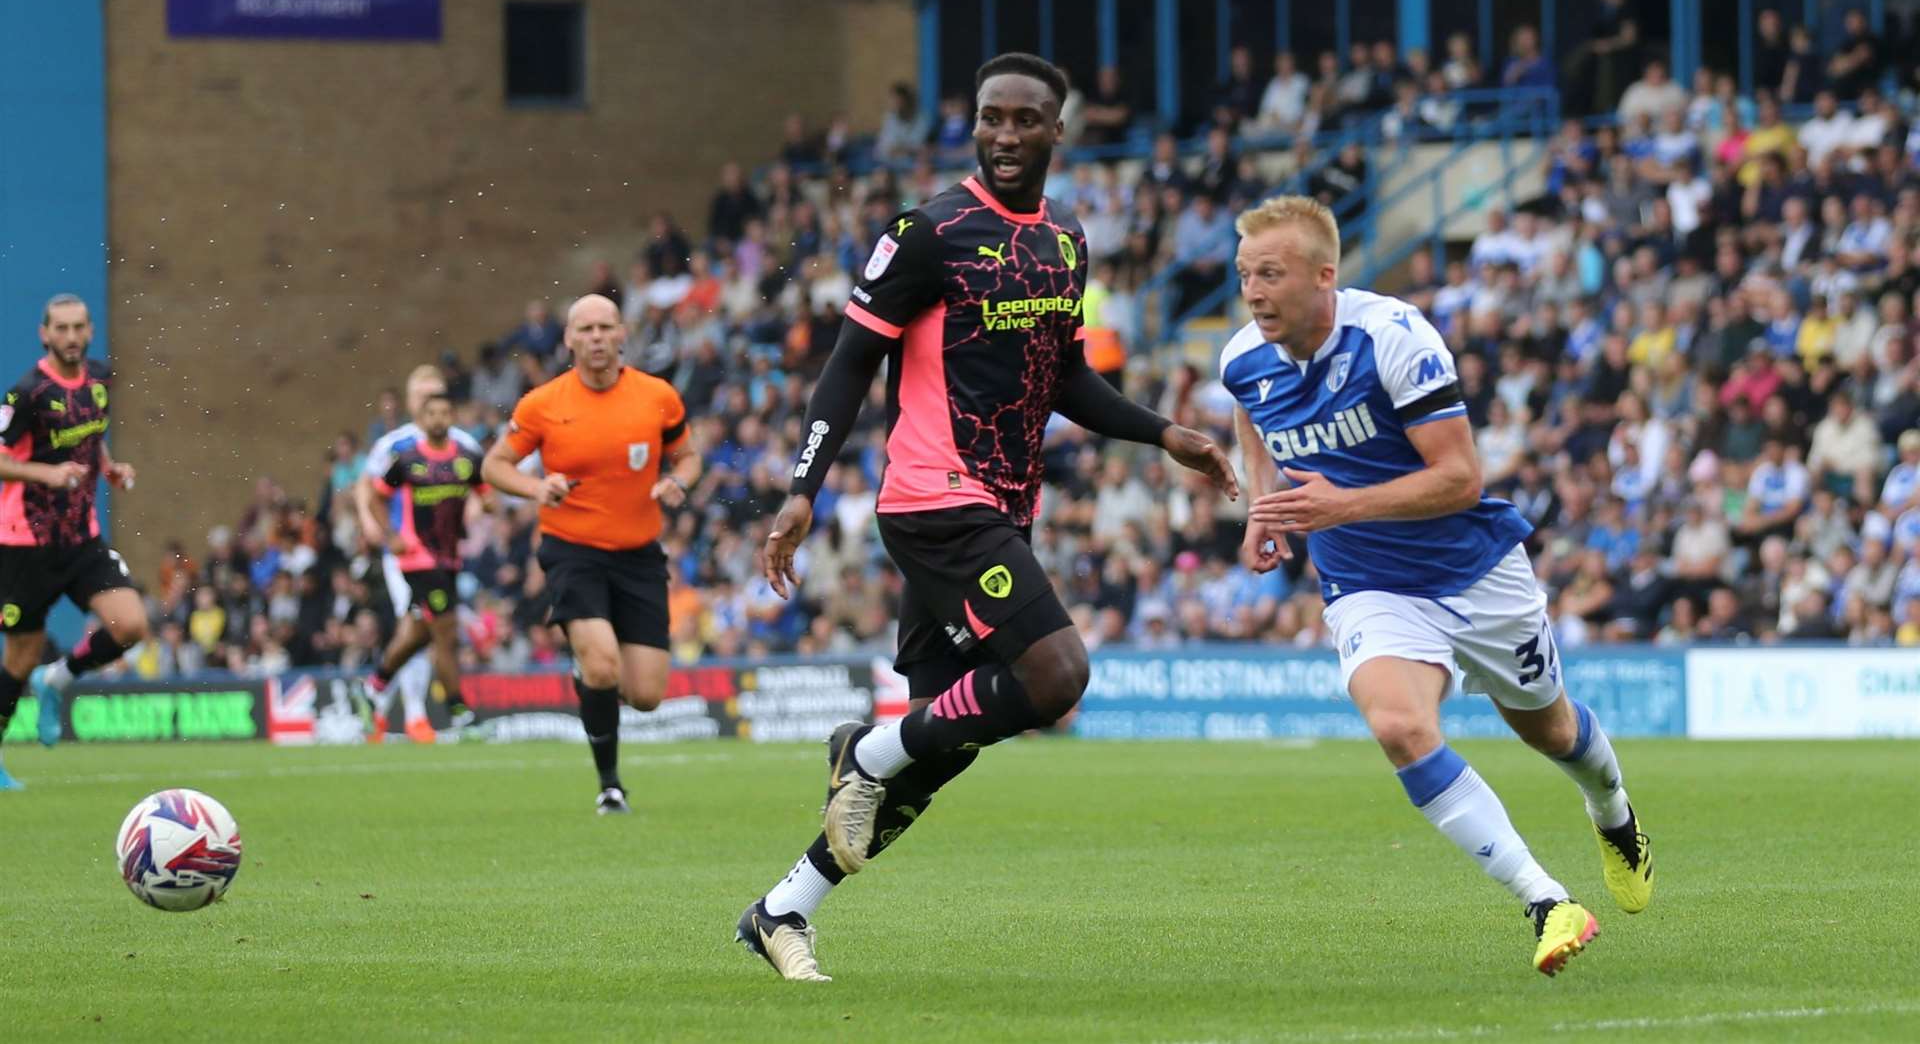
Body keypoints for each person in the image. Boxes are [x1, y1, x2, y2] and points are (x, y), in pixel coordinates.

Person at [734, 53, 1239, 983]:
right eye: (989, 118)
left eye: (1024, 120)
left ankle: (781, 910)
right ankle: (867, 747)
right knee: (1056, 676)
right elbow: (849, 362)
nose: (1005, 135)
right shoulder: (927, 232)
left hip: (1004, 506)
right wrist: (804, 486)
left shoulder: (1065, 240)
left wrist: (1168, 434)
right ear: (973, 125)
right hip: (934, 500)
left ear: (1058, 130)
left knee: (950, 745)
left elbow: (1069, 379)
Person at [1225, 197, 1652, 977]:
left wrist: (1335, 505)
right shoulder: (1242, 358)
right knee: (1398, 726)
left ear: (1325, 276)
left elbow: (1460, 478)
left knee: (1551, 732)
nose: (1254, 291)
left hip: (1477, 572)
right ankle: (1546, 901)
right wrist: (1267, 506)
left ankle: (1614, 814)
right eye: (1245, 272)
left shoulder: (1393, 337)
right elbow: (1250, 416)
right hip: (1368, 583)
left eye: (1272, 274)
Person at [482, 294, 700, 814]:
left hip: (640, 554)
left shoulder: (658, 397)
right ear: (569, 339)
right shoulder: (543, 404)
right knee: (603, 667)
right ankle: (610, 785)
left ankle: (591, 680)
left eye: (606, 327)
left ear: (623, 334)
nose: (597, 338)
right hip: (572, 550)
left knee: (645, 695)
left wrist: (678, 482)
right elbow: (494, 465)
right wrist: (536, 488)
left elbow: (688, 456)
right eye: (586, 329)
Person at [0, 295, 145, 787]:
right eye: (60, 328)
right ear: (44, 333)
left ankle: (57, 678)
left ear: (90, 330)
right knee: (19, 657)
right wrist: (48, 473)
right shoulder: (26, 394)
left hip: (82, 538)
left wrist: (109, 468)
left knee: (131, 624)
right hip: (26, 543)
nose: (71, 337)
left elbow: (90, 434)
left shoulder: (100, 379)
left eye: (79, 327)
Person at [359, 391, 491, 740]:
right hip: (417, 559)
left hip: (449, 558)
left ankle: (374, 685)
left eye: (444, 412)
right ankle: (460, 712)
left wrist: (485, 506)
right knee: (445, 633)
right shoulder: (406, 459)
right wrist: (390, 535)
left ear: (452, 416)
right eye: (431, 413)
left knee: (420, 633)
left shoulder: (465, 458)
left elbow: (486, 492)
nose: (438, 419)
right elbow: (374, 496)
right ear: (421, 418)